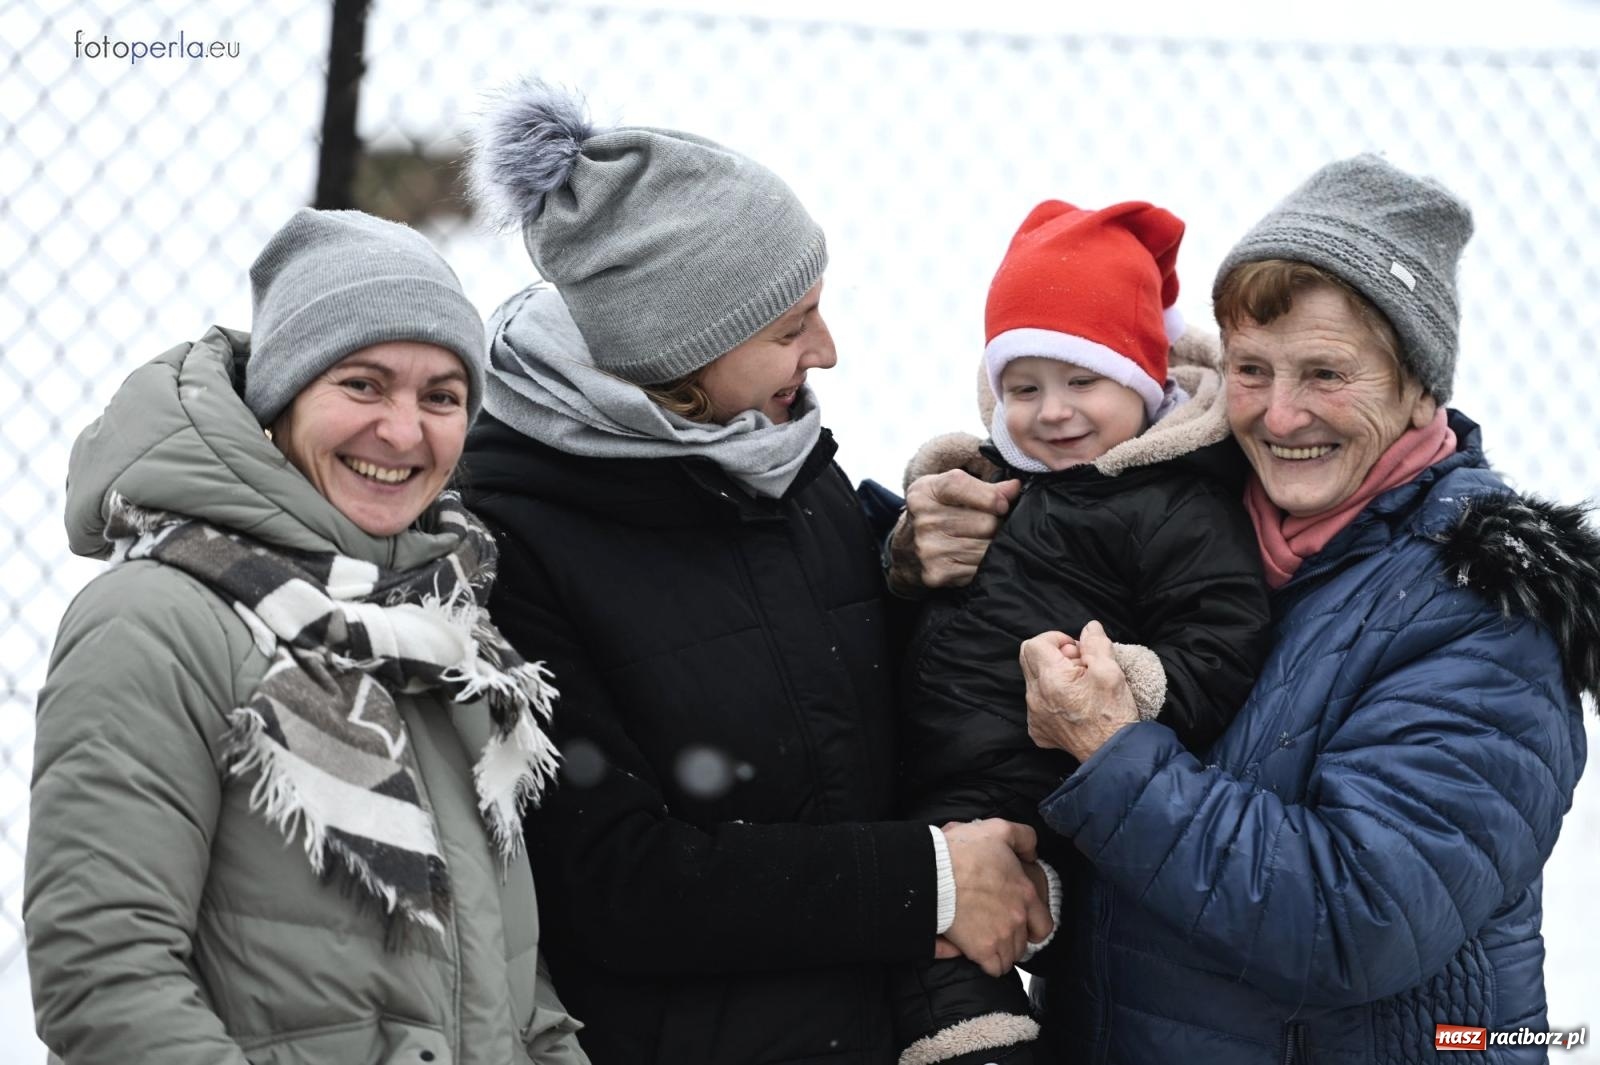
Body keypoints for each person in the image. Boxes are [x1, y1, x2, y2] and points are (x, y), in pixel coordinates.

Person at [458, 79, 1051, 1065]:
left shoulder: (771, 456)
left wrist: (901, 572)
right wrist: (929, 881)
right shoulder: (514, 544)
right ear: (678, 348)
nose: (827, 350)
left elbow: (817, 702)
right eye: (790, 328)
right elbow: (611, 883)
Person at [1018, 154, 1600, 1063]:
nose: (1281, 416)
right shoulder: (1193, 524)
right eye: (1252, 368)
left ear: (1419, 387)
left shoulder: (1482, 610)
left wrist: (1115, 754)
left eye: (1326, 374)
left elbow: (1355, 917)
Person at [25, 209, 588, 1065]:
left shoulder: (445, 632)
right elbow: (106, 980)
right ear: (282, 397)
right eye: (362, 385)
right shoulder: (156, 622)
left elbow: (512, 991)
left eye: (441, 396)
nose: (403, 432)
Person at [889, 199, 1271, 1065]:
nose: (1052, 412)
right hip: (932, 767)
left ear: (1139, 380)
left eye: (1083, 381)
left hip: (1028, 787)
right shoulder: (995, 484)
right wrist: (906, 555)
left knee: (944, 956)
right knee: (910, 938)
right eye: (1024, 389)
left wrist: (1126, 683)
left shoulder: (1174, 505)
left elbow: (1223, 636)